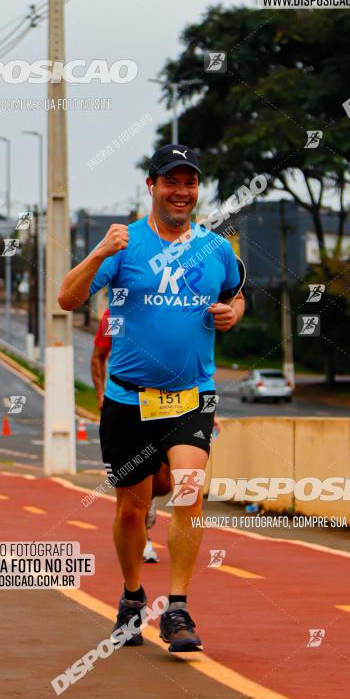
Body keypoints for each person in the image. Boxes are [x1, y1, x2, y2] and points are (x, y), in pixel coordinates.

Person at [58, 144, 244, 653]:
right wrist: (98, 252)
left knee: (189, 491)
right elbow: (67, 298)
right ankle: (132, 597)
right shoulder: (125, 245)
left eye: (190, 183)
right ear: (152, 186)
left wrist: (234, 313)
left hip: (191, 395)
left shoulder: (215, 247)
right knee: (129, 510)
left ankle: (178, 609)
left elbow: (236, 292)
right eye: (171, 182)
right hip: (128, 398)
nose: (181, 192)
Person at [91, 308, 161, 563]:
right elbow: (99, 356)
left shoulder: (171, 307)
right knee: (131, 486)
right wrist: (101, 393)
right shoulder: (115, 317)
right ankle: (143, 535)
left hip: (168, 405)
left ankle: (149, 501)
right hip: (127, 405)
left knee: (164, 482)